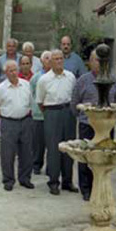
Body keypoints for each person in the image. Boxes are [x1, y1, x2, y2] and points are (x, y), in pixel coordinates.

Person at [71, 49, 116, 201]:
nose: (99, 63)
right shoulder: (83, 80)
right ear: (90, 62)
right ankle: (86, 189)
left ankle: (102, 185)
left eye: (102, 61)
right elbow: (74, 104)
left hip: (107, 126)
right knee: (86, 157)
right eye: (96, 60)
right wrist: (84, 117)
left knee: (105, 156)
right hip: (87, 124)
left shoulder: (113, 80)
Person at [36, 49, 77, 195]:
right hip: (51, 112)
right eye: (56, 59)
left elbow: (74, 95)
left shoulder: (71, 77)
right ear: (50, 61)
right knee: (54, 148)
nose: (59, 61)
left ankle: (67, 181)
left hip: (68, 112)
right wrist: (51, 113)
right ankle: (53, 182)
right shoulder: (44, 80)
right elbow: (40, 102)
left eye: (61, 58)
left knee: (69, 147)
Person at [0, 59, 34, 191]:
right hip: (9, 122)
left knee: (27, 152)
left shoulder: (26, 85)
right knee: (7, 153)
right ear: (6, 73)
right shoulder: (1, 89)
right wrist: (5, 116)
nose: (14, 73)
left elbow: (31, 103)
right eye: (10, 71)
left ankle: (25, 178)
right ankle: (8, 180)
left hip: (26, 121)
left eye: (15, 69)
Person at [30, 51, 51, 175]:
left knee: (51, 143)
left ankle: (51, 167)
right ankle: (36, 165)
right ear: (42, 61)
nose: (49, 60)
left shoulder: (56, 76)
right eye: (46, 58)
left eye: (50, 58)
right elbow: (32, 92)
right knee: (38, 143)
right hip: (38, 115)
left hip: (52, 115)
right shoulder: (36, 77)